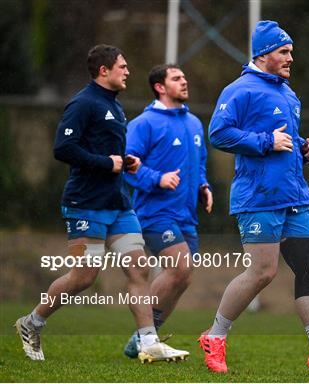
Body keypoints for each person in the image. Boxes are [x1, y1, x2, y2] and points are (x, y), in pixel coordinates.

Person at [198, 20, 309, 375]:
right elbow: (219, 133)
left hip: (294, 195)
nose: (290, 59)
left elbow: (289, 135)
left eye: (291, 52)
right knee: (262, 272)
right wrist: (266, 143)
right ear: (263, 54)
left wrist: (305, 147)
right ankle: (215, 336)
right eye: (284, 52)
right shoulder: (240, 89)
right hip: (259, 195)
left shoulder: (288, 93)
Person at [15, 45, 187, 363]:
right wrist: (107, 163)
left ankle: (148, 341)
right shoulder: (84, 103)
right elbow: (63, 148)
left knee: (139, 268)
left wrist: (126, 162)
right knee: (84, 276)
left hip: (118, 205)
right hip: (86, 205)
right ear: (104, 70)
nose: (128, 71)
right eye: (122, 66)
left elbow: (108, 153)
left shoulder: (114, 105)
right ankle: (32, 322)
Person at [122, 64, 212, 358]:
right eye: (176, 78)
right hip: (154, 213)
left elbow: (199, 164)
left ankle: (145, 338)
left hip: (186, 215)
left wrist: (203, 187)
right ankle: (145, 335)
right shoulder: (144, 123)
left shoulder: (195, 123)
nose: (184, 82)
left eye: (184, 77)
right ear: (159, 87)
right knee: (180, 267)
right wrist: (156, 179)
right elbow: (126, 165)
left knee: (183, 277)